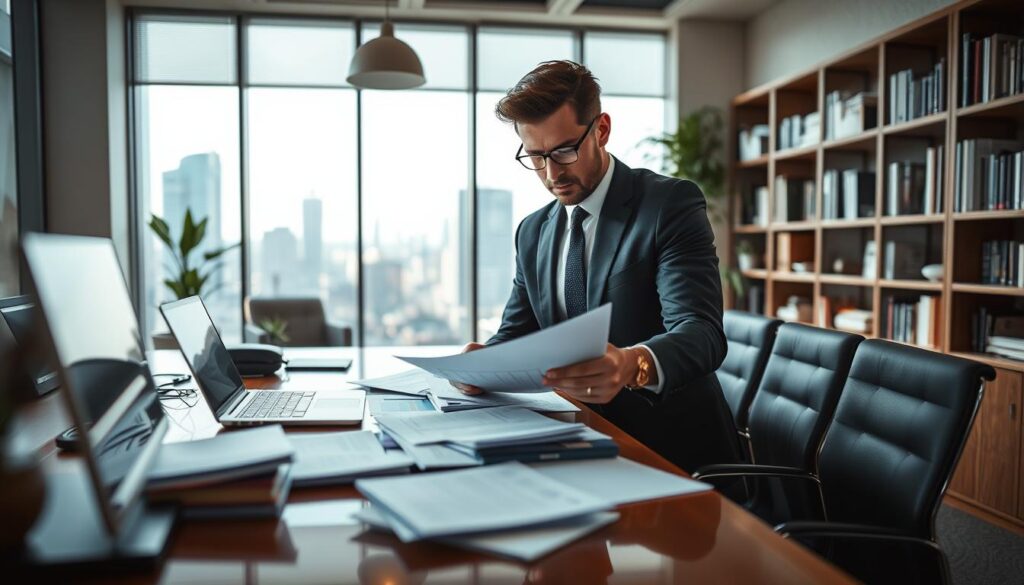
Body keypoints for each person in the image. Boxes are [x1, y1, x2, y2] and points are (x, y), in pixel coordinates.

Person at [454, 60, 740, 473]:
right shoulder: (533, 231)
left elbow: (702, 333)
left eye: (565, 150)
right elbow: (519, 332)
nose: (552, 174)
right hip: (573, 446)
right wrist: (482, 364)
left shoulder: (668, 205)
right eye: (535, 157)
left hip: (671, 454)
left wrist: (631, 365)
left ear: (601, 130)